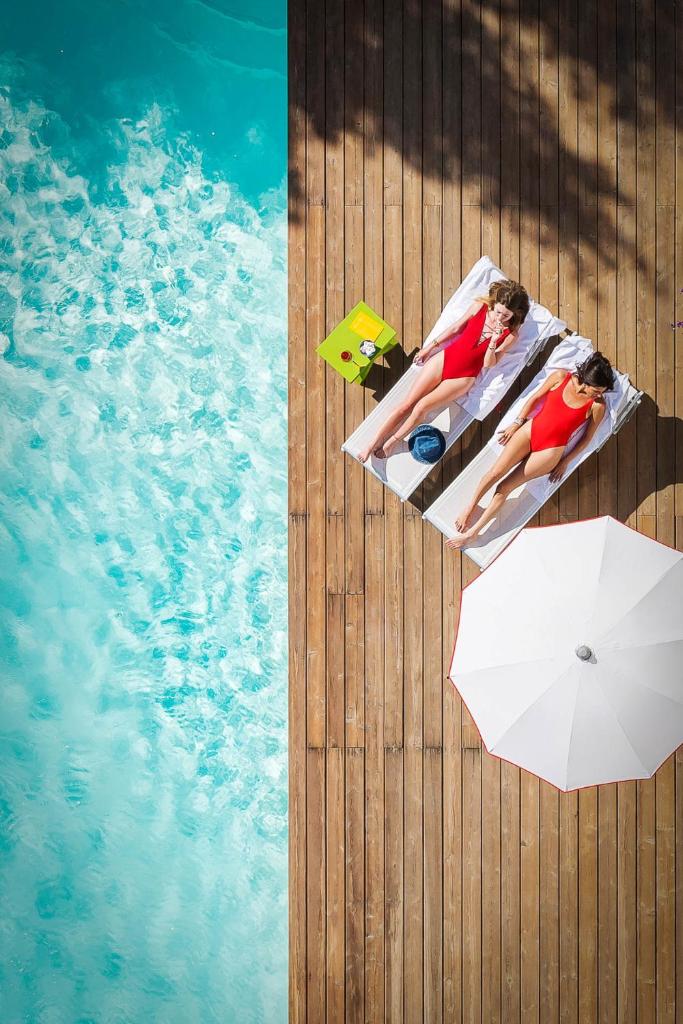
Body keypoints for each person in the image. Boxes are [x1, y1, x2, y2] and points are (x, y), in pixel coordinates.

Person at [446, 352, 615, 550]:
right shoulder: (561, 377)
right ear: (587, 380)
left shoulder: (597, 405)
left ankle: (472, 533)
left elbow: (587, 439)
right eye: (597, 390)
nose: (599, 394)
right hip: (530, 430)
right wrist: (516, 423)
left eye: (602, 392)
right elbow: (535, 398)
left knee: (504, 487)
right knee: (495, 472)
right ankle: (470, 508)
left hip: (550, 451)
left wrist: (564, 462)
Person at [357, 279, 530, 463]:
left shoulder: (511, 335)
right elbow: (455, 328)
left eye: (506, 315)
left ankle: (393, 440)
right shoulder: (480, 307)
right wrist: (429, 347)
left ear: (515, 314)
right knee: (407, 404)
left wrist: (494, 341)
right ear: (494, 303)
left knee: (422, 407)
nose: (499, 318)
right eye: (498, 311)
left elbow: (489, 364)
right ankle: (371, 443)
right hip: (445, 359)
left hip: (463, 378)